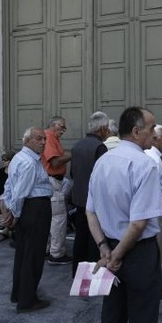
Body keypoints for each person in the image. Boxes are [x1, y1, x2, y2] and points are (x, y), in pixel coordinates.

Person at [86, 106, 162, 323]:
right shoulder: (145, 165)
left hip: (110, 246)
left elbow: (90, 211)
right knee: (143, 313)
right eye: (152, 128)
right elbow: (138, 223)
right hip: (138, 252)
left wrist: (105, 248)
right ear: (137, 132)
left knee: (113, 310)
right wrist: (116, 256)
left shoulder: (103, 161)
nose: (155, 133)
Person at [3, 127, 54, 313]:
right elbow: (19, 191)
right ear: (27, 141)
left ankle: (19, 294)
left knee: (23, 254)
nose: (42, 142)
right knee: (33, 256)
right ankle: (27, 301)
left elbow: (10, 185)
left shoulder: (20, 158)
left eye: (44, 139)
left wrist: (11, 209)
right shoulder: (29, 163)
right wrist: (14, 214)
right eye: (38, 139)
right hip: (35, 209)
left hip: (29, 209)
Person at [70, 111, 109, 276]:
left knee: (80, 238)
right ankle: (93, 276)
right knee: (95, 241)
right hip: (94, 203)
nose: (108, 131)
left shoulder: (77, 145)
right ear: (101, 129)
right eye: (106, 128)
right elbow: (105, 177)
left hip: (79, 199)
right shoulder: (100, 147)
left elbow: (72, 173)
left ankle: (77, 273)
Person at [144, 124, 162, 299]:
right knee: (158, 249)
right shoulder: (152, 158)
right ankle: (155, 286)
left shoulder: (153, 157)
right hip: (155, 209)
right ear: (155, 138)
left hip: (154, 208)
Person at [41, 116, 72, 265]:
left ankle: (48, 249)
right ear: (53, 125)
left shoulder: (51, 137)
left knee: (50, 218)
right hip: (52, 181)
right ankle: (56, 254)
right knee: (58, 218)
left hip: (52, 181)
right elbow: (54, 161)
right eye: (62, 126)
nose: (64, 130)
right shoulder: (49, 137)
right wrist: (73, 155)